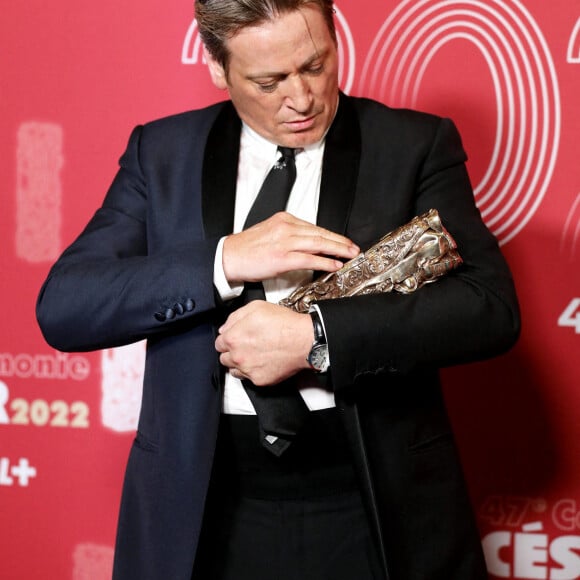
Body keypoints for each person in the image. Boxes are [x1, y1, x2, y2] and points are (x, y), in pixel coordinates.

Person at [36, 0, 520, 578]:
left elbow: (489, 308)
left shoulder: (412, 144)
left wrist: (319, 338)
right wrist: (224, 259)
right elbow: (65, 305)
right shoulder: (162, 153)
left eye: (315, 65)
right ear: (218, 68)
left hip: (374, 503)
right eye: (269, 81)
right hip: (202, 510)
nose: (302, 98)